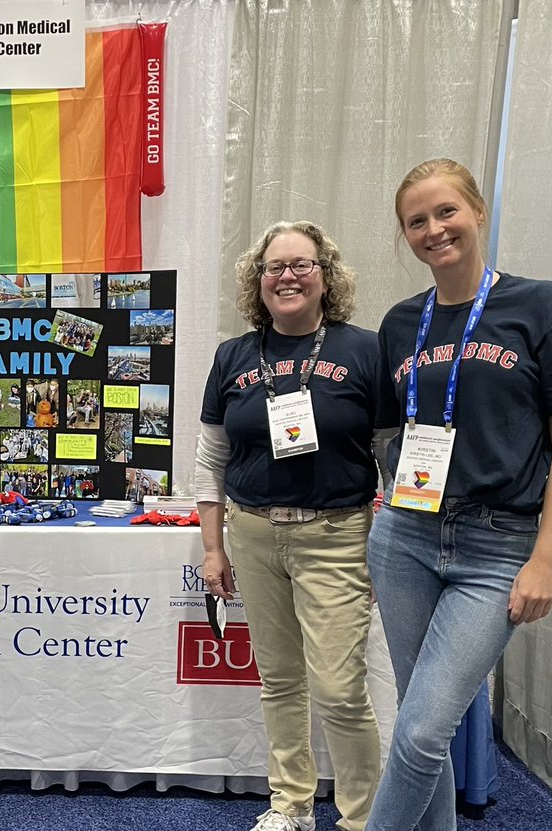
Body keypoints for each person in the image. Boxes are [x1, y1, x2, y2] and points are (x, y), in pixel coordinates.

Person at [364, 159, 552, 831]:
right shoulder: (401, 323)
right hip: (406, 537)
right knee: (420, 728)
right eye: (417, 221)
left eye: (446, 211)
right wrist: (384, 511)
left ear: (477, 211)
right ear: (405, 235)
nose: (434, 229)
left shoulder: (543, 305)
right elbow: (391, 431)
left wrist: (546, 557)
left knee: (419, 732)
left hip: (497, 547)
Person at [196, 220, 383, 831]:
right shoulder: (233, 356)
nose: (288, 277)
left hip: (337, 536)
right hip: (253, 535)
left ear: (326, 276)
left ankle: (361, 819)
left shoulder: (365, 350)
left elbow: (391, 453)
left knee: (339, 690)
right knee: (279, 681)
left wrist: (391, 544)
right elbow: (211, 461)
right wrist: (213, 549)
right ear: (259, 280)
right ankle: (291, 806)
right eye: (274, 267)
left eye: (302, 265)